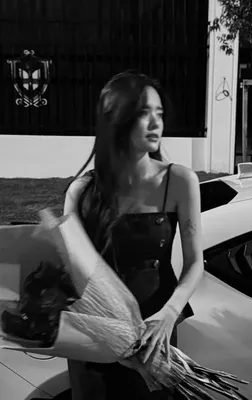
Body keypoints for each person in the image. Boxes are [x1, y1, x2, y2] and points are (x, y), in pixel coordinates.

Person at [63, 71, 204, 400]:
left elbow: (196, 262)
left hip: (153, 338)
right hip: (95, 343)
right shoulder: (81, 192)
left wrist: (169, 313)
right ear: (117, 118)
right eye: (143, 113)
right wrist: (111, 343)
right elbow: (71, 275)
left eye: (160, 113)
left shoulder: (180, 181)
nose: (156, 123)